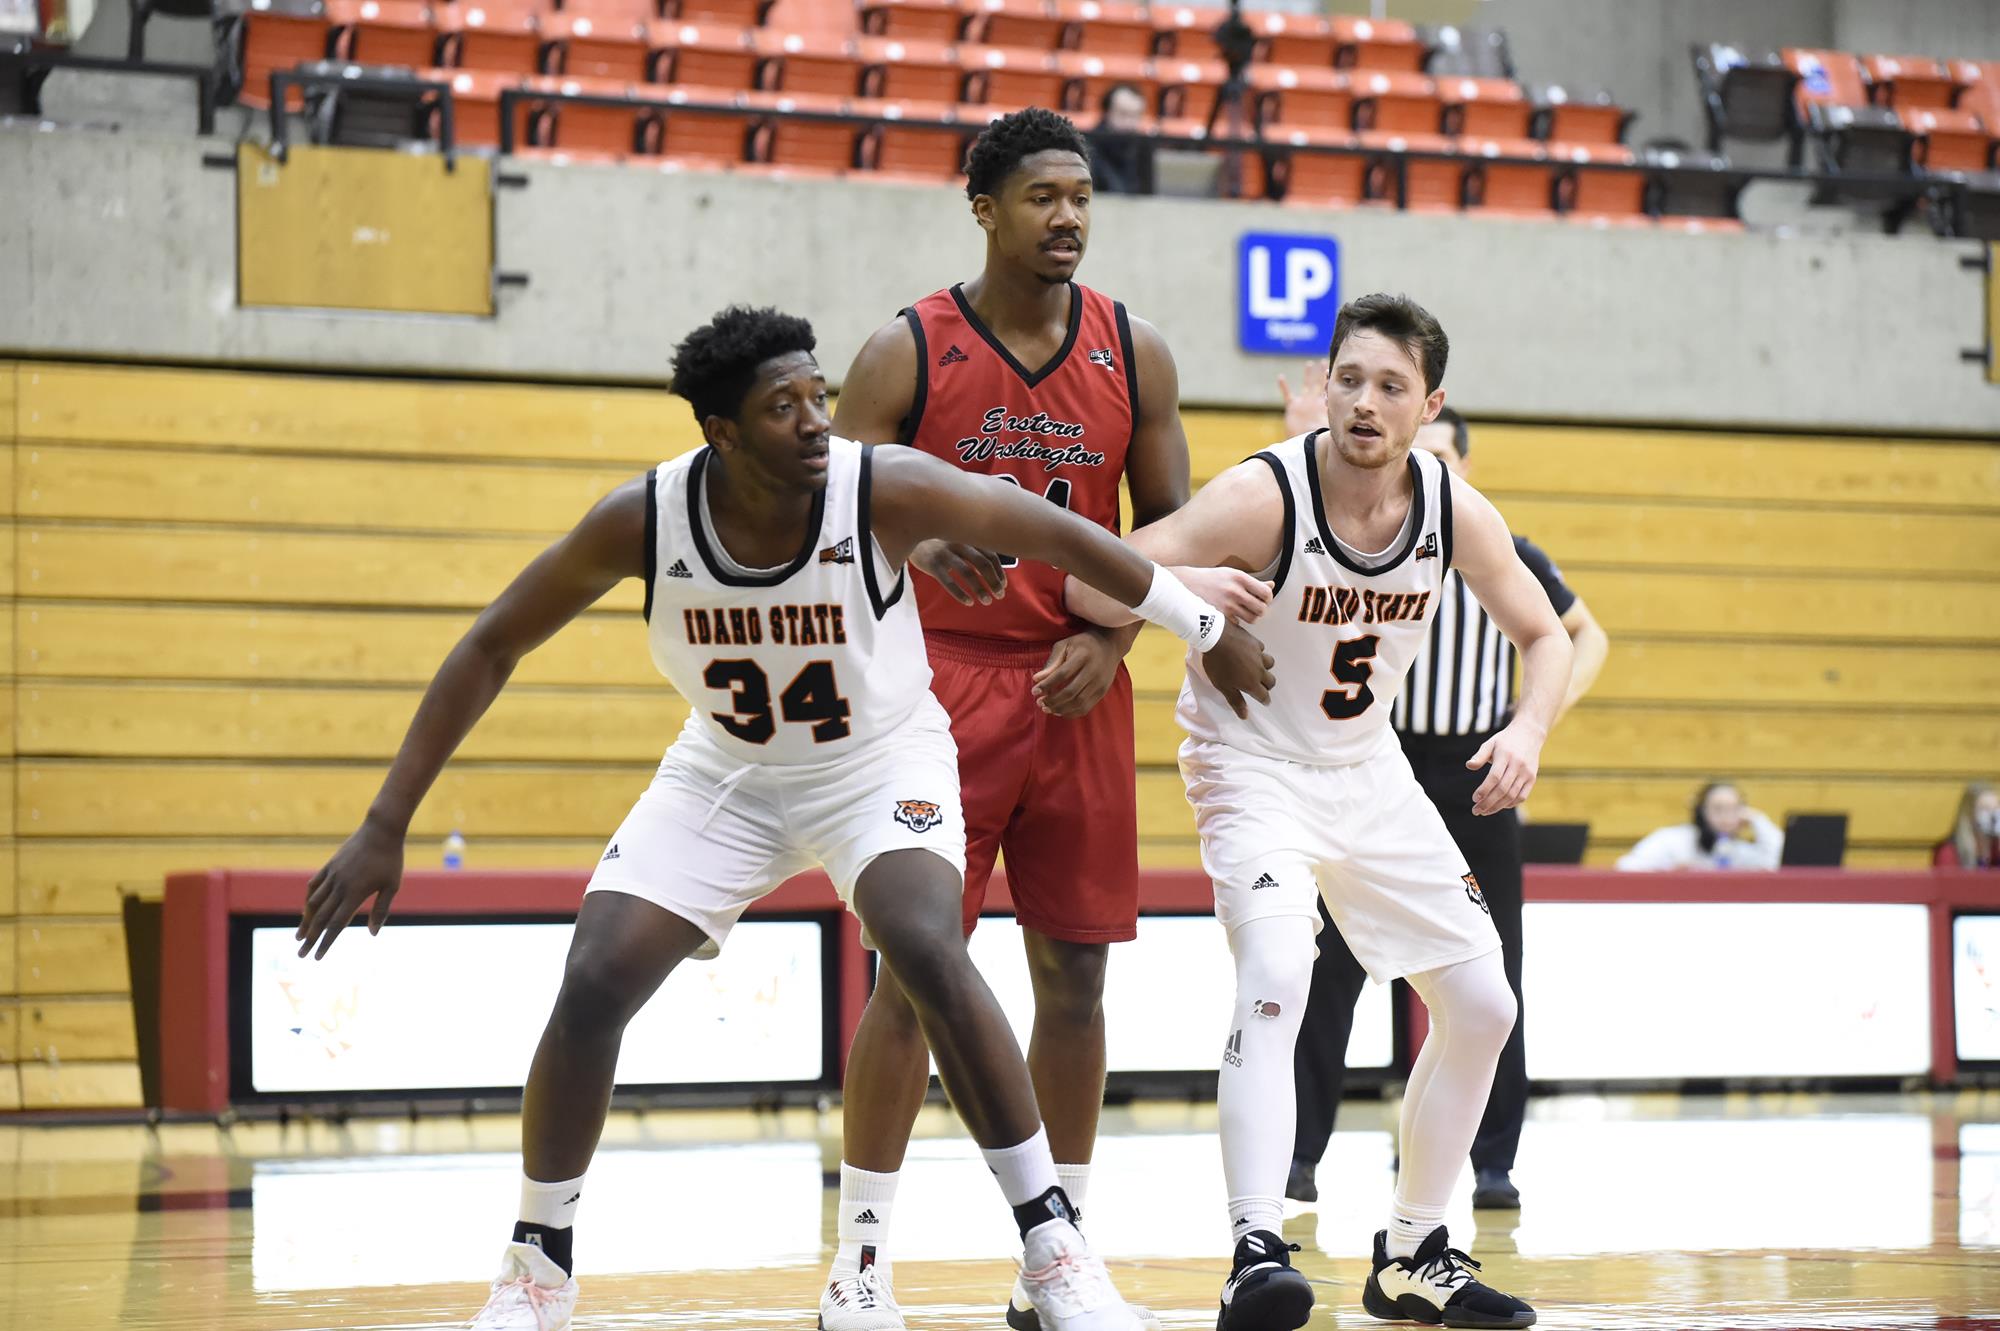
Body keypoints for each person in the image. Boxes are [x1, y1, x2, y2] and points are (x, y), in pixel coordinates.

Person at [292, 306, 1274, 1331]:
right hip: (728, 771)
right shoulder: (645, 516)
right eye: (783, 406)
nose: (815, 421)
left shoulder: (879, 484)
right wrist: (384, 821)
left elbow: (1062, 532)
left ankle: (1054, 1247)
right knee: (592, 977)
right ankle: (537, 1263)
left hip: (877, 757)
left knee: (927, 946)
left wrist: (1200, 624)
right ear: (721, 432)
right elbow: (492, 642)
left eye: (817, 394)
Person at [1068, 293, 1568, 1330]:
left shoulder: (1449, 508)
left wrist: (1525, 731)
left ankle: (1413, 1251)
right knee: (1277, 972)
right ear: (1325, 386)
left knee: (1482, 1002)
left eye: (1390, 385)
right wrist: (1189, 586)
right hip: (1248, 763)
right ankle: (1254, 1245)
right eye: (1348, 379)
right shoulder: (1263, 494)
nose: (1364, 402)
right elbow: (1089, 582)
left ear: (1430, 404)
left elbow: (1547, 634)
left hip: (1365, 767)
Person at [825, 108, 1193, 1331]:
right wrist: (919, 535)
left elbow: (1167, 536)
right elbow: (824, 518)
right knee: (912, 975)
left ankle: (1057, 1259)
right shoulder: (905, 349)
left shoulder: (1134, 352)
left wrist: (1112, 634)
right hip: (933, 686)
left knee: (1076, 975)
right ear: (982, 207)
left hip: (1074, 683)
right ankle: (861, 1263)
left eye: (1080, 195)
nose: (1068, 217)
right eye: (1041, 195)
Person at [1273, 387, 1611, 1213]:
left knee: (1494, 972)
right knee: (1332, 967)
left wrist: (1530, 725)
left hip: (1475, 773)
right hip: (1375, 766)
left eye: (1445, 459)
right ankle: (1299, 1157)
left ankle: (1492, 1162)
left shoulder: (1499, 544)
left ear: (1461, 461)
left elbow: (1583, 635)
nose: (1431, 471)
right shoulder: (1364, 538)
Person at [1616, 781, 1783, 871]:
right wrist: (1669, 871)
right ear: (1701, 812)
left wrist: (1758, 820)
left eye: (1734, 809)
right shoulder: (1673, 839)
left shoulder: (1740, 851)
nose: (1726, 817)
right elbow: (1626, 867)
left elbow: (1774, 864)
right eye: (1718, 809)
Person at [1087, 84, 1156, 196]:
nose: (1129, 122)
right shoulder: (1088, 146)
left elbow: (1148, 194)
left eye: (1136, 115)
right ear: (1107, 112)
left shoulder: (1142, 146)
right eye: (1123, 114)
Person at [1933, 781, 1998, 868]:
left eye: (1996, 809)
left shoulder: (1996, 851)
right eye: (1985, 809)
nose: (1992, 815)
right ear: (1968, 813)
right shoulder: (1949, 852)